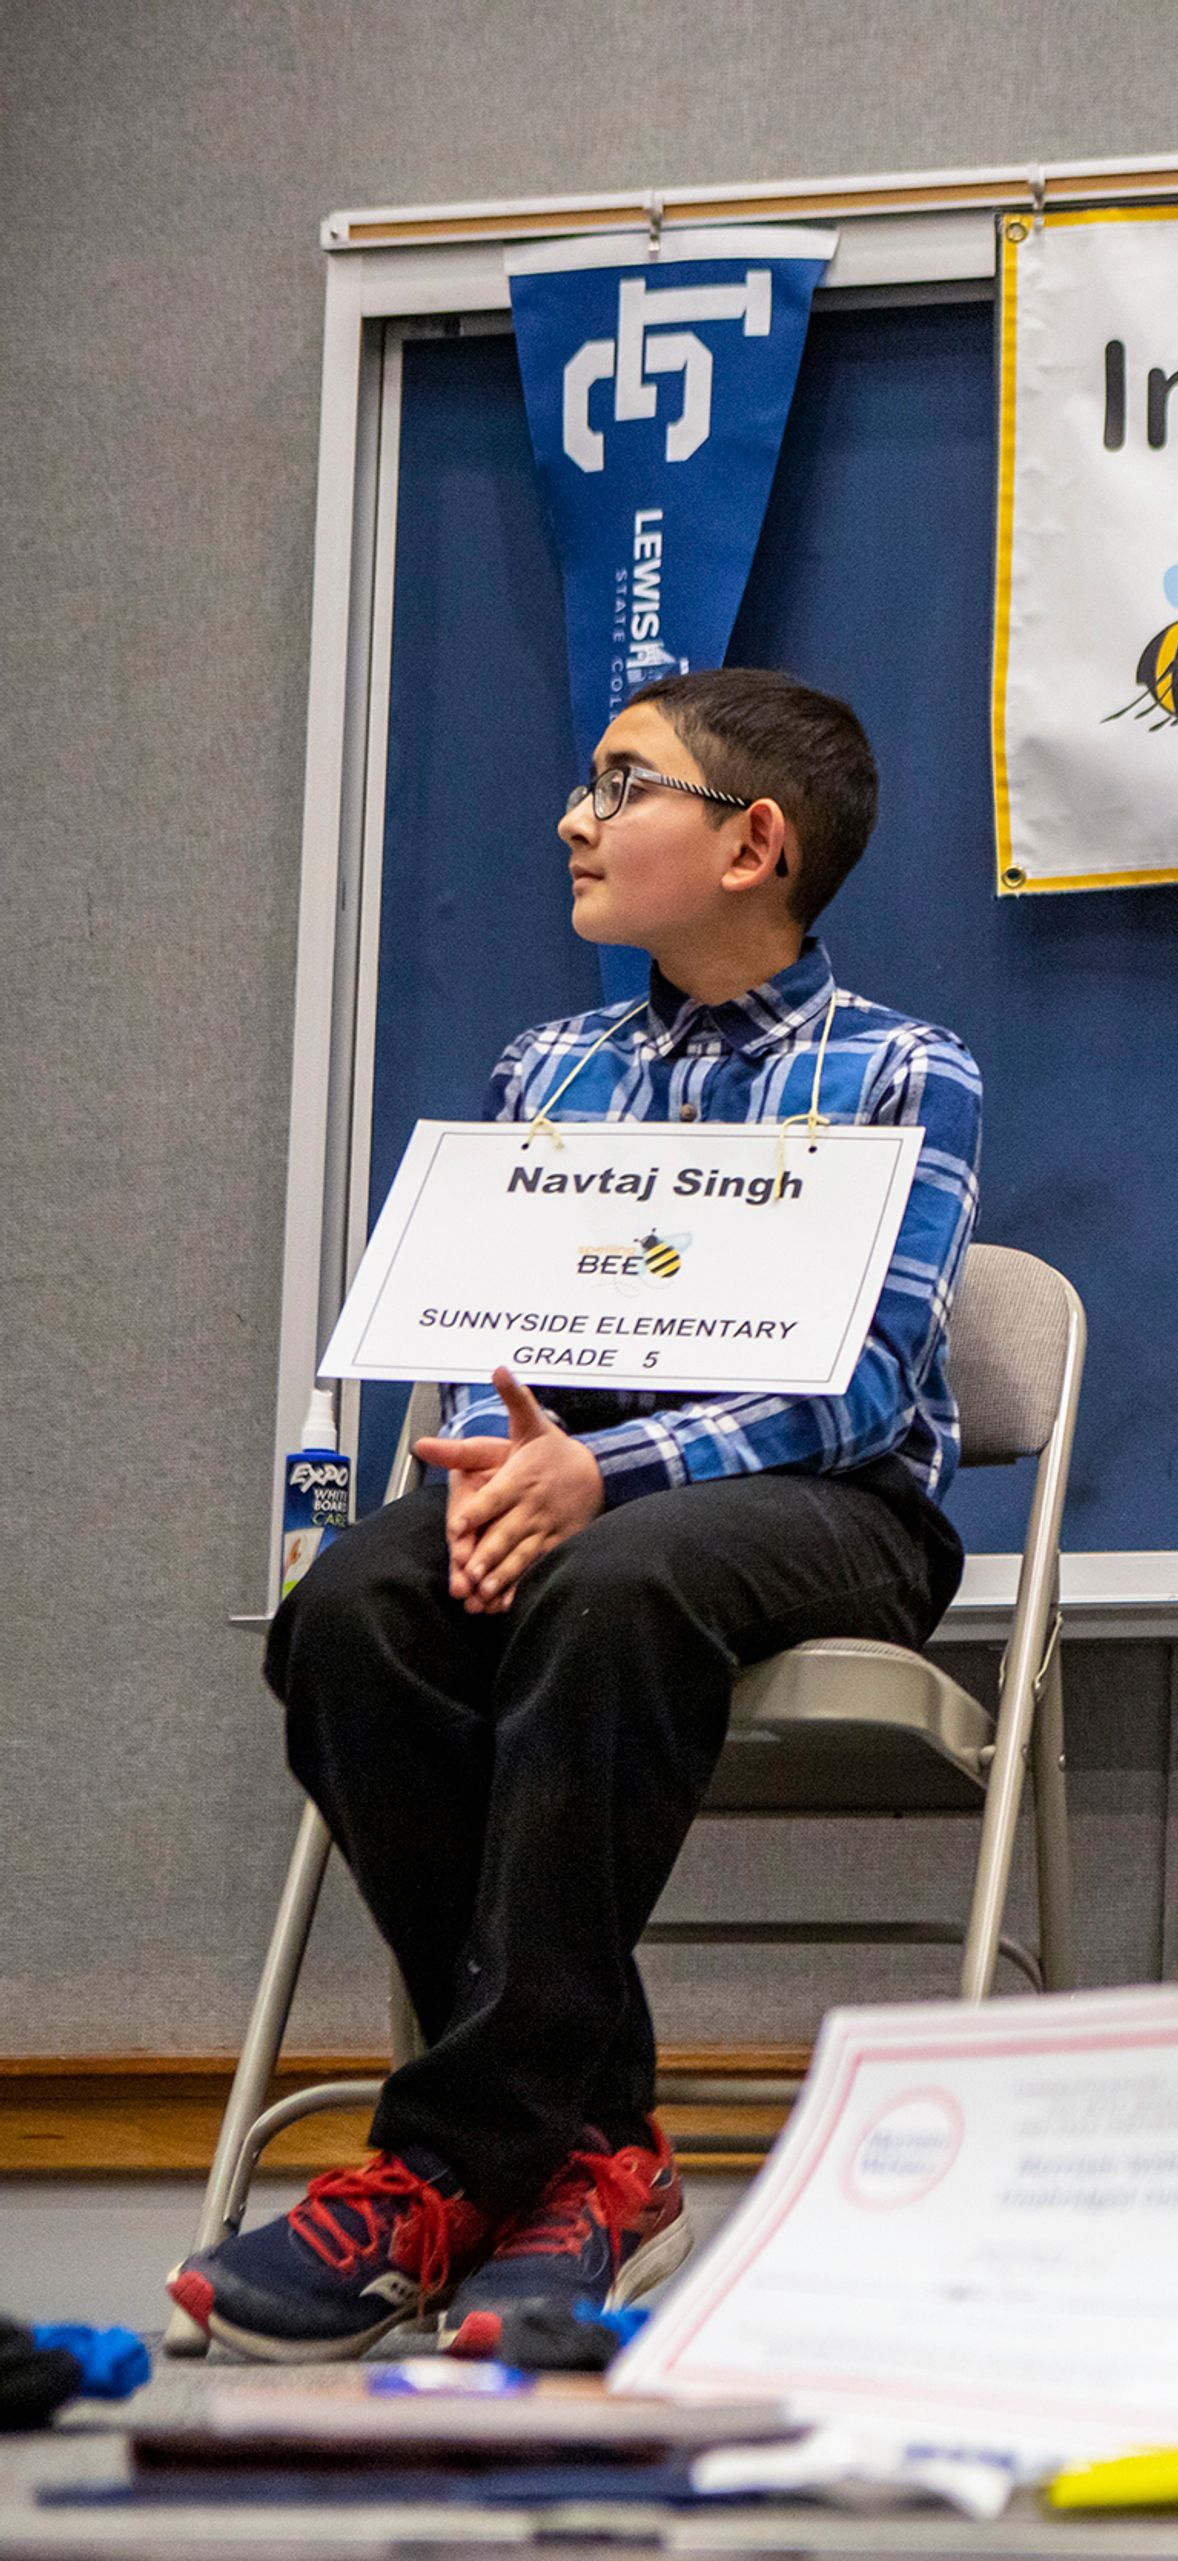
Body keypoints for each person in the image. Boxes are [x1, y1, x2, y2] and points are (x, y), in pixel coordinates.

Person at [171, 671, 982, 2361]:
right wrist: (485, 1465)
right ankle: (594, 2152)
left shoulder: (904, 1068)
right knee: (355, 1606)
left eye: (624, 783)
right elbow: (488, 1337)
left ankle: (443, 2155)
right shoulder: (552, 1063)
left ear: (756, 841)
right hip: (557, 1495)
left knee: (610, 1585)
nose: (574, 816)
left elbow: (858, 1385)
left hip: (816, 1510)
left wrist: (593, 1474)